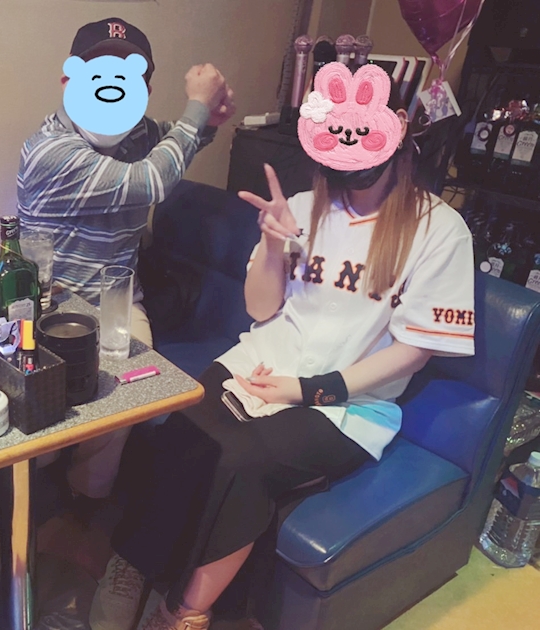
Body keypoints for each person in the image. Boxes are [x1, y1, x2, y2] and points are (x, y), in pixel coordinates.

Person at [89, 63, 475, 630]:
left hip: (348, 404)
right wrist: (273, 245)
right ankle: (131, 568)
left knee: (239, 464)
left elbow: (415, 350)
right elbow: (260, 308)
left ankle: (182, 613)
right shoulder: (301, 205)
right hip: (259, 361)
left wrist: (306, 389)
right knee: (183, 432)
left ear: (395, 131)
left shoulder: (439, 229)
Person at [17, 17, 236, 504]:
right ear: (69, 81)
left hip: (118, 301)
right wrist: (197, 106)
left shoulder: (136, 134)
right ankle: (35, 492)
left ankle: (87, 500)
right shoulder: (51, 151)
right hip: (52, 307)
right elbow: (150, 182)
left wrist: (207, 124)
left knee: (126, 401)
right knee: (41, 436)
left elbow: (173, 141)